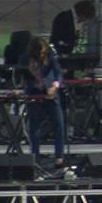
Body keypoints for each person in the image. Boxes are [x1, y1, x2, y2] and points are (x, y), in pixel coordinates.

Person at [23, 37, 69, 170]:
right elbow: (19, 74)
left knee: (59, 125)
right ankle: (35, 159)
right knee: (35, 128)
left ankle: (59, 158)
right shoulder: (26, 58)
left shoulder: (50, 55)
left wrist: (54, 86)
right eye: (40, 53)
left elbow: (58, 73)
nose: (42, 55)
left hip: (51, 94)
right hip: (34, 94)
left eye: (43, 52)